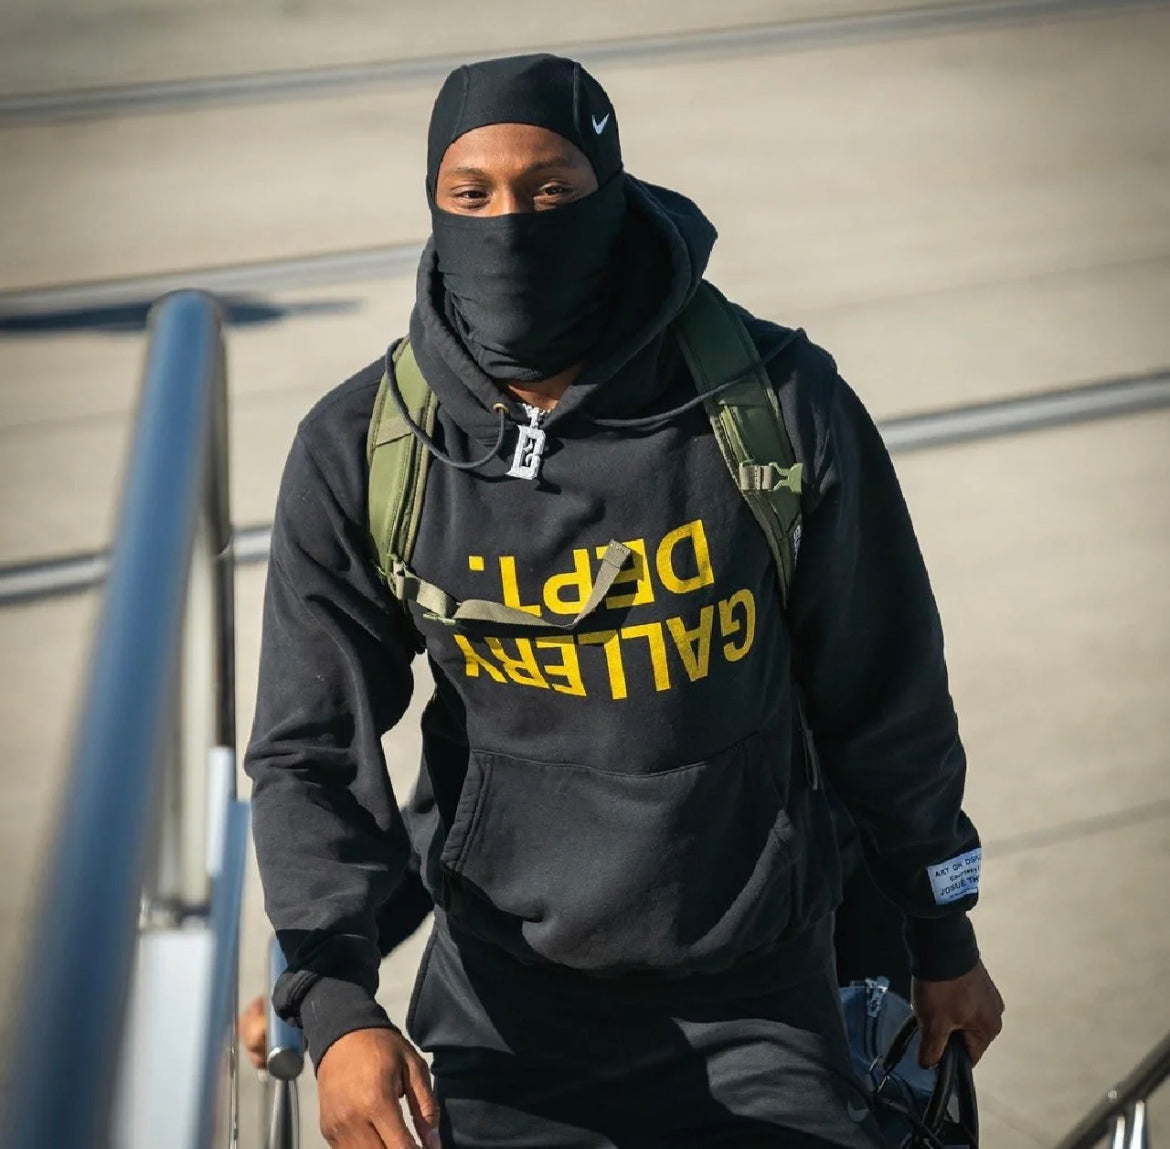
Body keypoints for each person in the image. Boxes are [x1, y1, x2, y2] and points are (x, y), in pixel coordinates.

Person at [246, 53, 1004, 1149]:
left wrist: (942, 932)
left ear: (611, 194)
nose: (511, 224)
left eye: (550, 188)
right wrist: (335, 1002)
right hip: (505, 1017)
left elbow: (886, 696)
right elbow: (309, 751)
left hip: (762, 1000)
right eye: (473, 194)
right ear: (434, 207)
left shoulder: (776, 404)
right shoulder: (365, 447)